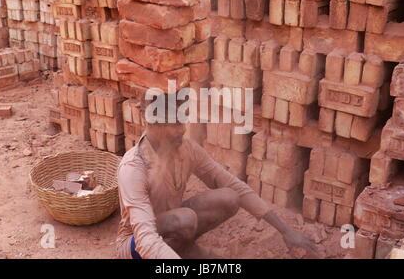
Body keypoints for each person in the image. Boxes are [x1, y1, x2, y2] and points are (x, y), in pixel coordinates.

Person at [116, 93, 321, 259]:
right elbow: (145, 237)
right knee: (183, 219)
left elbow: (234, 185)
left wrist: (285, 230)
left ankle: (182, 248)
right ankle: (183, 253)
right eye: (175, 124)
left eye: (183, 121)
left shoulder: (186, 150)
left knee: (229, 197)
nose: (183, 129)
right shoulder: (133, 168)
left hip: (173, 227)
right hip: (136, 245)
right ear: (154, 126)